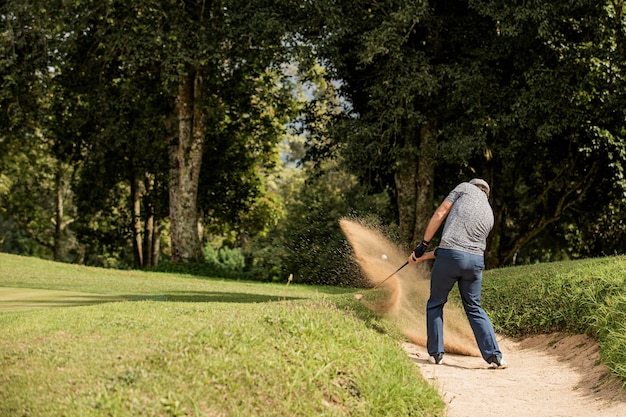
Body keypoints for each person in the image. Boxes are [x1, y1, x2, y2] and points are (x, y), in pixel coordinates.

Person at [408, 178, 507, 368]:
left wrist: (423, 244)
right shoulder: (489, 212)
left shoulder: (463, 188)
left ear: (473, 185)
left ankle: (436, 354)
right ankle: (495, 356)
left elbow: (441, 213)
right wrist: (422, 256)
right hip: (475, 262)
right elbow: (461, 251)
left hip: (450, 258)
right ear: (486, 193)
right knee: (474, 307)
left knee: (436, 302)